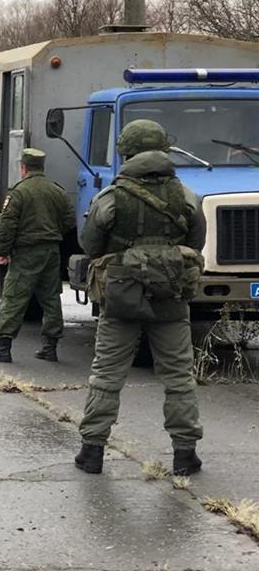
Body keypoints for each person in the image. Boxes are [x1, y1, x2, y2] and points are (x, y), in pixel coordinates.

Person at [74, 120, 206, 477]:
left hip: (121, 296)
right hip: (171, 296)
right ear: (164, 150)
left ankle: (92, 451)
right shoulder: (187, 196)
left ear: (127, 152)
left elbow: (91, 245)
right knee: (178, 377)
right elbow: (196, 244)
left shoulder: (110, 198)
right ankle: (185, 455)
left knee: (107, 373)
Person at [0, 149, 76, 363]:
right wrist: (53, 233)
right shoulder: (57, 191)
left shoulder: (19, 192)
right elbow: (70, 220)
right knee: (51, 298)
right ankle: (50, 347)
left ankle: (3, 347)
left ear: (23, 167)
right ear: (41, 166)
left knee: (14, 297)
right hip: (51, 251)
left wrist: (2, 252)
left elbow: (7, 225)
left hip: (26, 252)